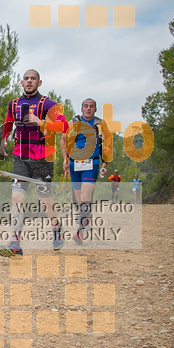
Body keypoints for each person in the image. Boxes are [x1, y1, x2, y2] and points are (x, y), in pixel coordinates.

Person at [0, 70, 69, 256]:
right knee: (17, 198)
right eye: (26, 78)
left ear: (39, 82)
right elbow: (8, 121)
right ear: (21, 82)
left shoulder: (47, 103)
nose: (29, 81)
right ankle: (15, 241)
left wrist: (42, 123)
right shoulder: (14, 104)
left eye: (33, 79)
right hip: (21, 158)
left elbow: (64, 125)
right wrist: (4, 138)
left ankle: (56, 226)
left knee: (44, 199)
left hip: (43, 159)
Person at [61, 98, 112, 243]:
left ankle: (79, 232)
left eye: (91, 107)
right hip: (74, 164)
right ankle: (85, 221)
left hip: (92, 163)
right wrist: (65, 159)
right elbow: (63, 139)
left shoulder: (100, 124)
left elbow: (107, 144)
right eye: (86, 106)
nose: (88, 109)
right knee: (78, 202)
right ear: (81, 108)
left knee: (85, 196)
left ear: (95, 109)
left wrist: (105, 164)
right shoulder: (74, 122)